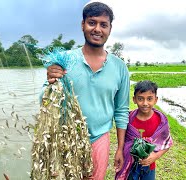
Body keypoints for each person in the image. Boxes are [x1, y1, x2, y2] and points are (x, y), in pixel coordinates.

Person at [45, 2, 130, 179]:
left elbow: (121, 110)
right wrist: (50, 80)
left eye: (103, 24)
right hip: (66, 136)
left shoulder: (120, 67)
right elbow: (45, 102)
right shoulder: (65, 59)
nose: (97, 29)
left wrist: (120, 149)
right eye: (92, 22)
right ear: (82, 25)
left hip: (99, 137)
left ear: (110, 29)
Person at [115, 80, 173, 180]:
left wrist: (155, 156)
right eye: (140, 99)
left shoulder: (161, 121)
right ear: (134, 99)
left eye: (149, 99)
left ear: (156, 100)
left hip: (149, 167)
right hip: (129, 165)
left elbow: (167, 143)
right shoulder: (128, 119)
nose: (145, 103)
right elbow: (123, 140)